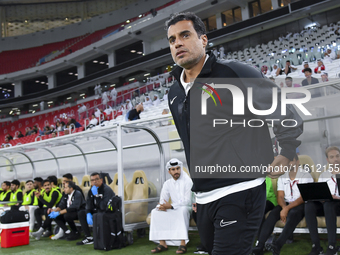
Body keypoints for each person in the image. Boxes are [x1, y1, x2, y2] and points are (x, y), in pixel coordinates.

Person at [166, 12, 303, 255]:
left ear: (204, 40)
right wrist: (198, 192)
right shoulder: (175, 92)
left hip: (241, 189)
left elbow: (283, 109)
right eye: (172, 39)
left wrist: (288, 149)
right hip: (205, 195)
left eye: (185, 35)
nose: (177, 43)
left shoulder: (235, 73)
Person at [252, 155, 313, 255]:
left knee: (294, 213)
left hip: (300, 204)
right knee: (272, 214)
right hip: (286, 203)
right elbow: (280, 197)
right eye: (287, 161)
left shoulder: (305, 175)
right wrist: (284, 208)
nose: (288, 164)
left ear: (297, 162)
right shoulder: (283, 176)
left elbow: (303, 197)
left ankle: (278, 245)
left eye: (291, 161)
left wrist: (287, 208)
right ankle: (260, 246)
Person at [149, 158, 193, 254]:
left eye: (178, 168)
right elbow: (162, 200)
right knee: (155, 212)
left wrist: (172, 206)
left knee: (182, 211)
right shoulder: (167, 184)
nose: (176, 171)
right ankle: (162, 243)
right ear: (169, 171)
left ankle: (183, 243)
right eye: (173, 169)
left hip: (186, 207)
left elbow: (188, 200)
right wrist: (162, 206)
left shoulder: (187, 181)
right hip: (172, 207)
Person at [305, 146, 340, 255]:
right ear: (327, 160)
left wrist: (336, 197)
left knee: (329, 205)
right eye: (332, 157)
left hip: (338, 203)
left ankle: (331, 246)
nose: (335, 159)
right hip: (327, 203)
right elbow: (319, 192)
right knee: (309, 205)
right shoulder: (324, 174)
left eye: (338, 156)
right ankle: (316, 246)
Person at [76, 172, 114, 245]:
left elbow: (103, 206)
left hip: (106, 212)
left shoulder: (107, 190)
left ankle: (100, 237)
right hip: (97, 211)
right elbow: (88, 203)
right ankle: (88, 237)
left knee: (99, 214)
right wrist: (88, 213)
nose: (94, 182)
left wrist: (96, 195)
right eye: (92, 180)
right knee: (81, 213)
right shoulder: (91, 190)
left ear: (101, 180)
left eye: (96, 179)